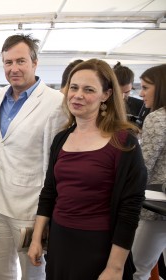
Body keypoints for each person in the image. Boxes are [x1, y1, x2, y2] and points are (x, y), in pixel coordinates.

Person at [28, 59, 147, 280]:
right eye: (74, 87)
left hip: (99, 247)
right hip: (60, 242)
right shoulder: (62, 138)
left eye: (88, 89)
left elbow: (129, 210)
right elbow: (49, 192)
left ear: (106, 95)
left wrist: (115, 268)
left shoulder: (123, 143)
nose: (78, 95)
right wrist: (36, 239)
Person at [0, 34, 66, 279]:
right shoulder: (1, 96)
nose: (14, 68)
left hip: (29, 210)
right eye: (8, 63)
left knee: (33, 273)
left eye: (20, 61)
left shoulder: (55, 103)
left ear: (35, 63)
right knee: (1, 272)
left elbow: (56, 164)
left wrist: (47, 214)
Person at [132, 64, 166, 280]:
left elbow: (144, 166)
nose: (141, 93)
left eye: (145, 87)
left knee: (137, 269)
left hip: (154, 209)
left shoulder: (157, 118)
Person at [113, 62, 149, 127]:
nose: (122, 97)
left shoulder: (141, 106)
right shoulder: (101, 105)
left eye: (127, 92)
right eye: (118, 92)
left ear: (132, 86)